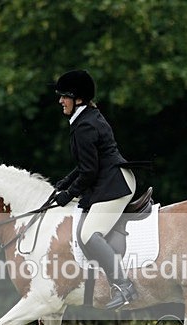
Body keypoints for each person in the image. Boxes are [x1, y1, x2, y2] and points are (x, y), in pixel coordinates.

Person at [52, 69, 138, 310]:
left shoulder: (85, 126)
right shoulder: (87, 117)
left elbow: (89, 172)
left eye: (64, 96)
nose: (60, 101)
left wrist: (68, 195)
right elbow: (86, 166)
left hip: (115, 184)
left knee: (89, 233)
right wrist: (64, 183)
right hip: (112, 176)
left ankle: (124, 285)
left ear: (77, 98)